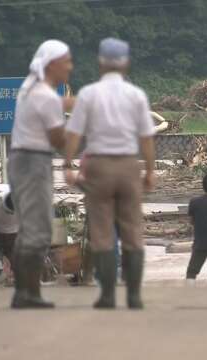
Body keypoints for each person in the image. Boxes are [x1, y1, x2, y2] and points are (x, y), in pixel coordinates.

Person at [64, 37, 156, 310]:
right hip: (129, 165)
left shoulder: (90, 94)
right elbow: (147, 138)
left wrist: (67, 164)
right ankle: (134, 295)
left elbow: (74, 133)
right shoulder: (136, 95)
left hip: (99, 167)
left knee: (102, 233)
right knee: (132, 231)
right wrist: (150, 170)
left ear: (100, 63)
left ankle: (107, 296)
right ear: (126, 63)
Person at [9, 39, 73, 309]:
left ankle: (22, 291)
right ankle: (29, 294)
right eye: (67, 61)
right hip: (34, 162)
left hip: (20, 159)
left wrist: (70, 103)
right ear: (52, 64)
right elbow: (59, 140)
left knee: (27, 230)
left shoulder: (30, 87)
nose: (70, 67)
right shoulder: (46, 97)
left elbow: (54, 104)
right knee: (39, 231)